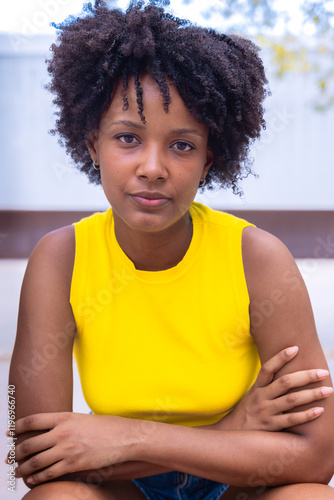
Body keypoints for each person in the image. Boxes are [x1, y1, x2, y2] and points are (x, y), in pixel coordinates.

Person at [7, 1, 334, 499]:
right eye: (127, 138)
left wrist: (126, 436)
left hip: (240, 484)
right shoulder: (61, 259)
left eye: (182, 145)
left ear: (210, 158)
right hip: (126, 488)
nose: (153, 167)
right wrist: (233, 428)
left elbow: (318, 457)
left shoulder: (257, 258)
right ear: (93, 144)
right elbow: (40, 461)